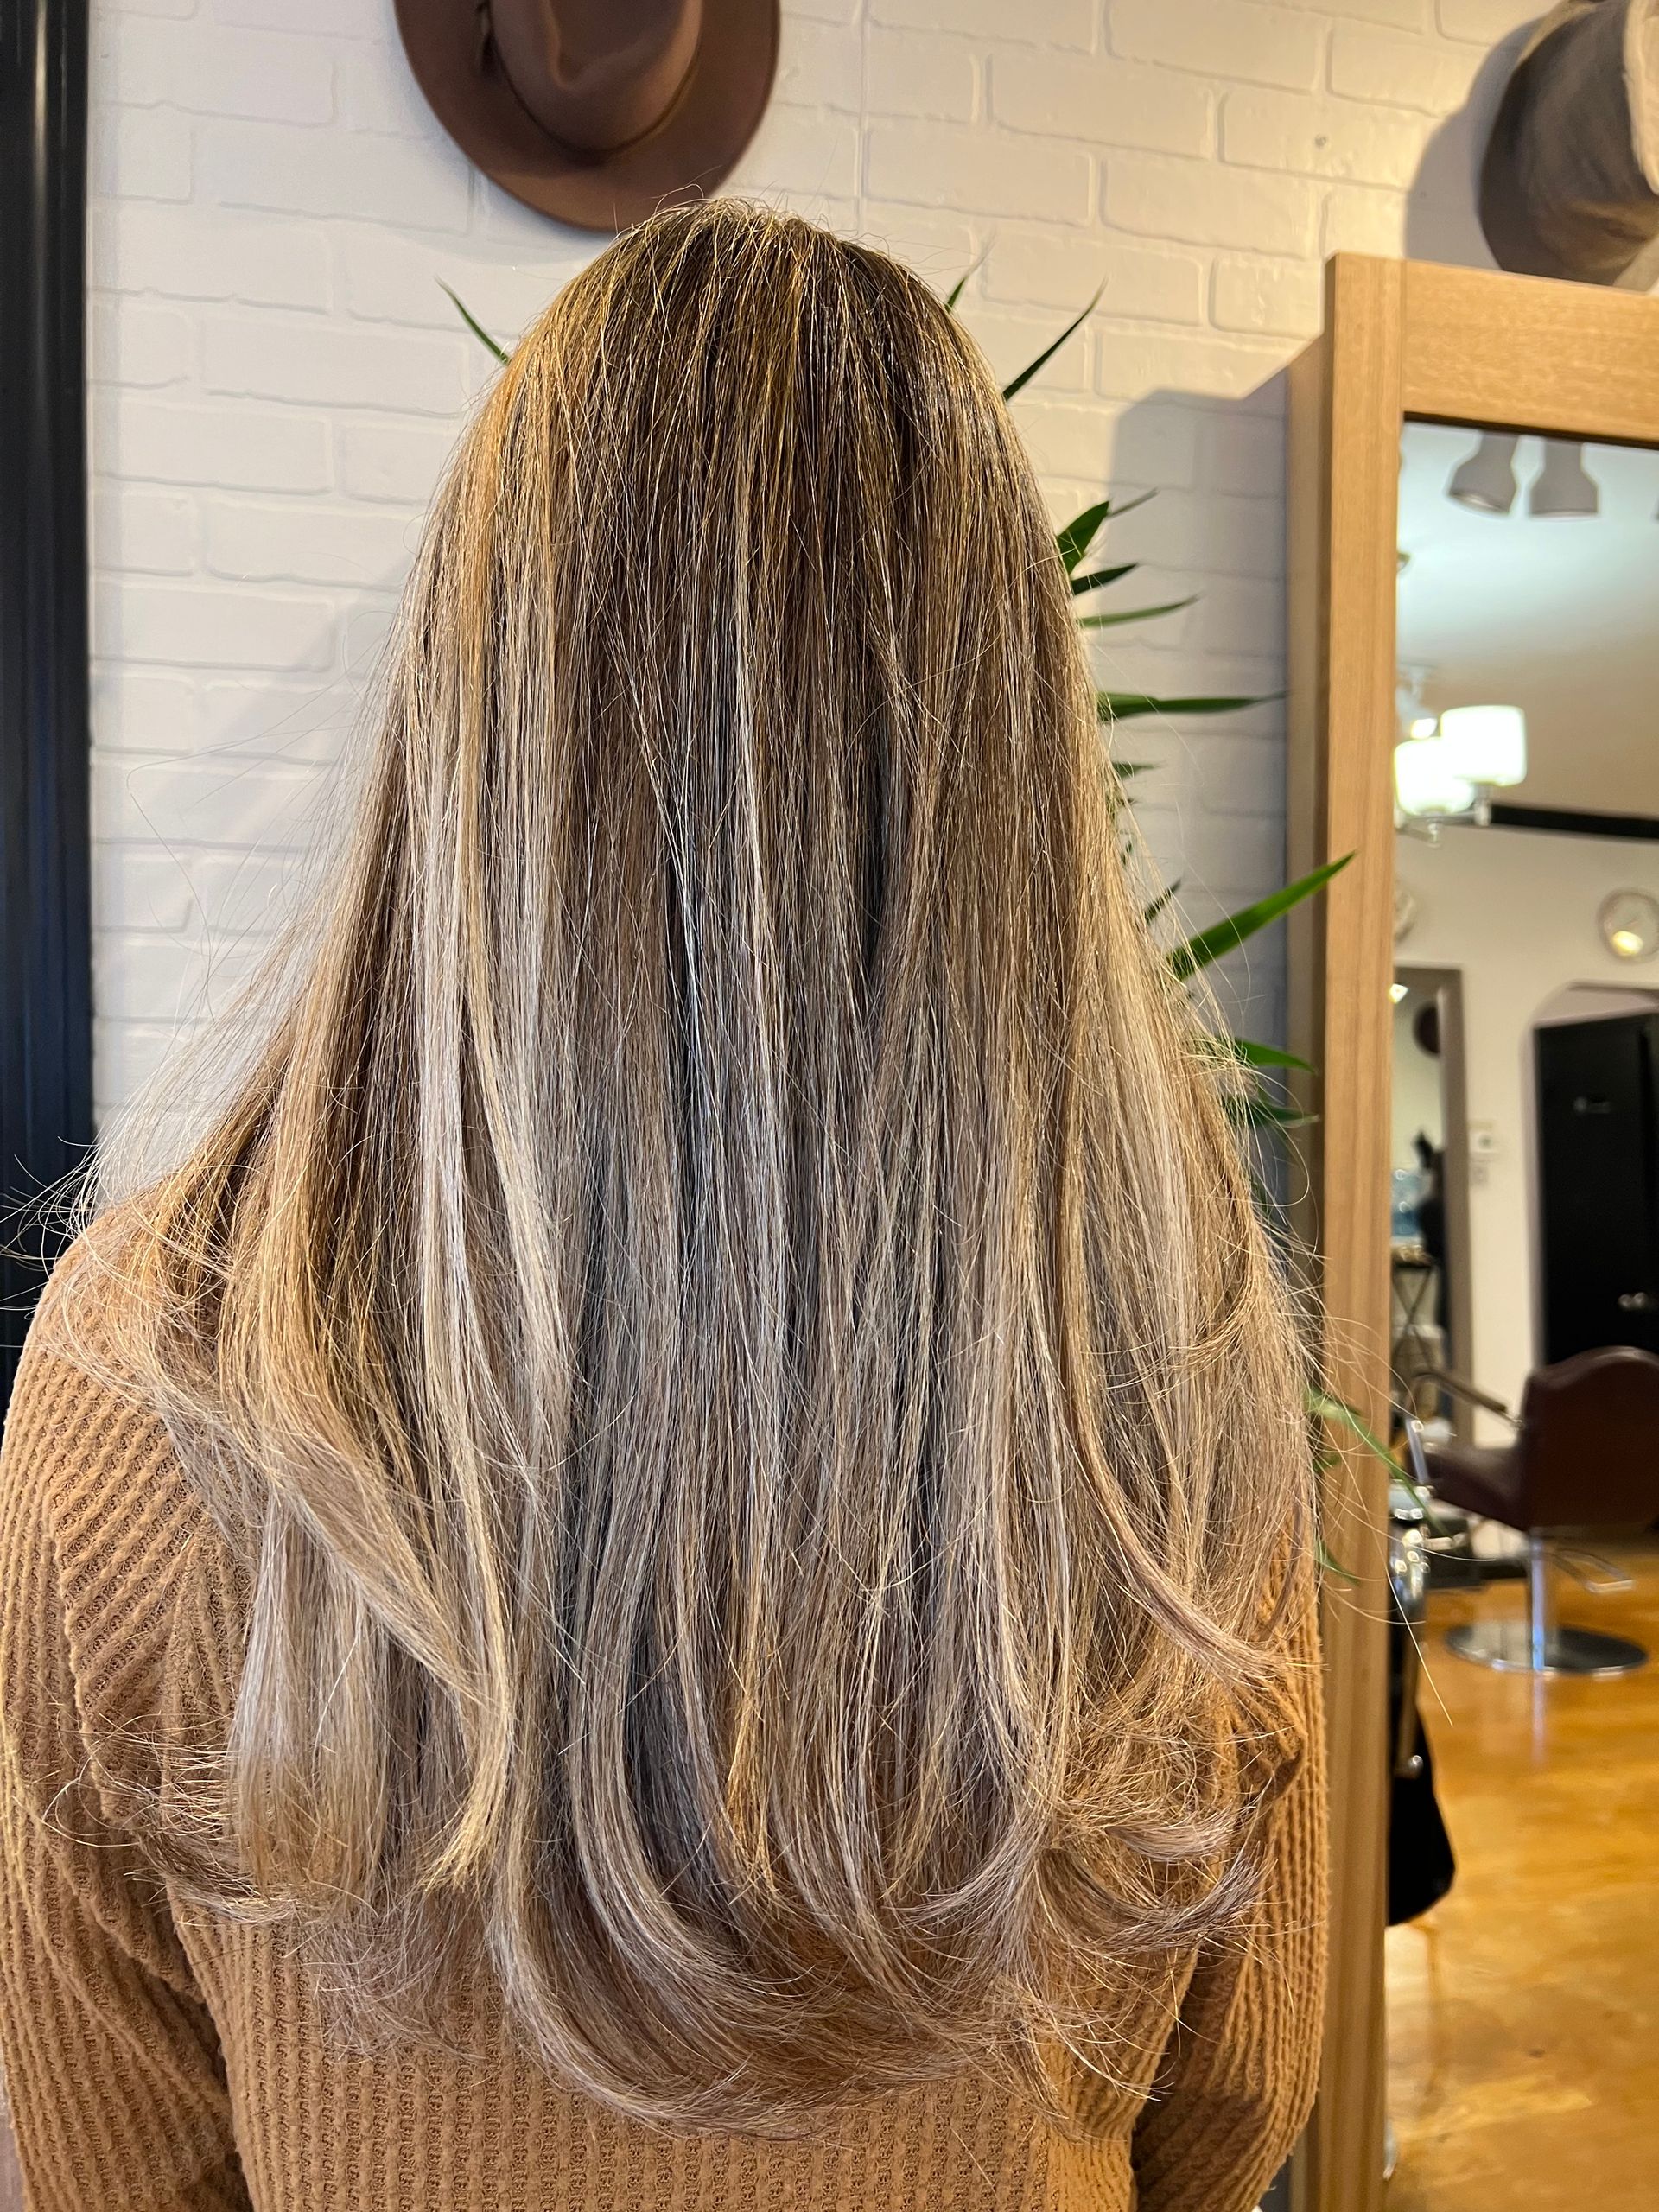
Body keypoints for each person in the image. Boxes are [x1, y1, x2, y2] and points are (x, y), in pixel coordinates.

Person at [0, 202, 1325, 2212]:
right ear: (1010, 772)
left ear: (473, 722)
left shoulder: (147, 1379)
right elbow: (1226, 2115)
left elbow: (118, 2166)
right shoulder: (1168, 1387)